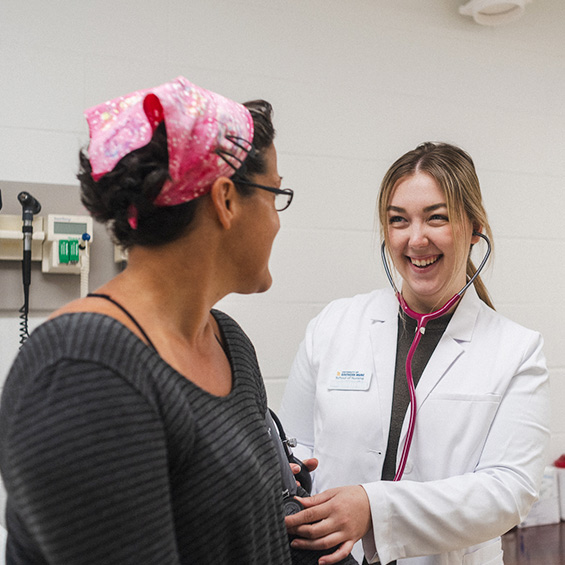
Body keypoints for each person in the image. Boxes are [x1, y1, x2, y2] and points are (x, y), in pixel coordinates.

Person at [0, 76, 301, 565]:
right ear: (226, 201)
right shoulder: (83, 372)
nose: (278, 221)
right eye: (275, 195)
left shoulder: (228, 342)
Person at [280, 142, 550, 565]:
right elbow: (294, 448)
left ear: (474, 226)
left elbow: (507, 489)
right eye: (398, 220)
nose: (416, 238)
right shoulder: (333, 325)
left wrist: (375, 507)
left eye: (436, 218)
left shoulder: (516, 351)